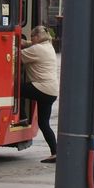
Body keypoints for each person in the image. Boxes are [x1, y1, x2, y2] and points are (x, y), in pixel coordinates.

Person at [20, 25, 59, 163]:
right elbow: (31, 45)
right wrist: (25, 43)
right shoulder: (48, 46)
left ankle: (22, 116)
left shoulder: (37, 49)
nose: (30, 39)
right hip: (51, 91)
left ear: (37, 37)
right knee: (44, 123)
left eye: (32, 36)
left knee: (17, 90)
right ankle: (55, 152)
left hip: (41, 87)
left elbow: (15, 55)